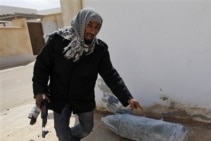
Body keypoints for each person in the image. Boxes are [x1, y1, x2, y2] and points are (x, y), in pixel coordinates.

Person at [32, 7, 143, 141]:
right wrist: (40, 91)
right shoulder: (57, 41)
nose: (93, 31)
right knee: (62, 135)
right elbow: (41, 66)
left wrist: (127, 97)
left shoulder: (99, 50)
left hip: (83, 97)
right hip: (59, 96)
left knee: (86, 128)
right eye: (89, 25)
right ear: (81, 23)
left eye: (97, 27)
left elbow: (110, 75)